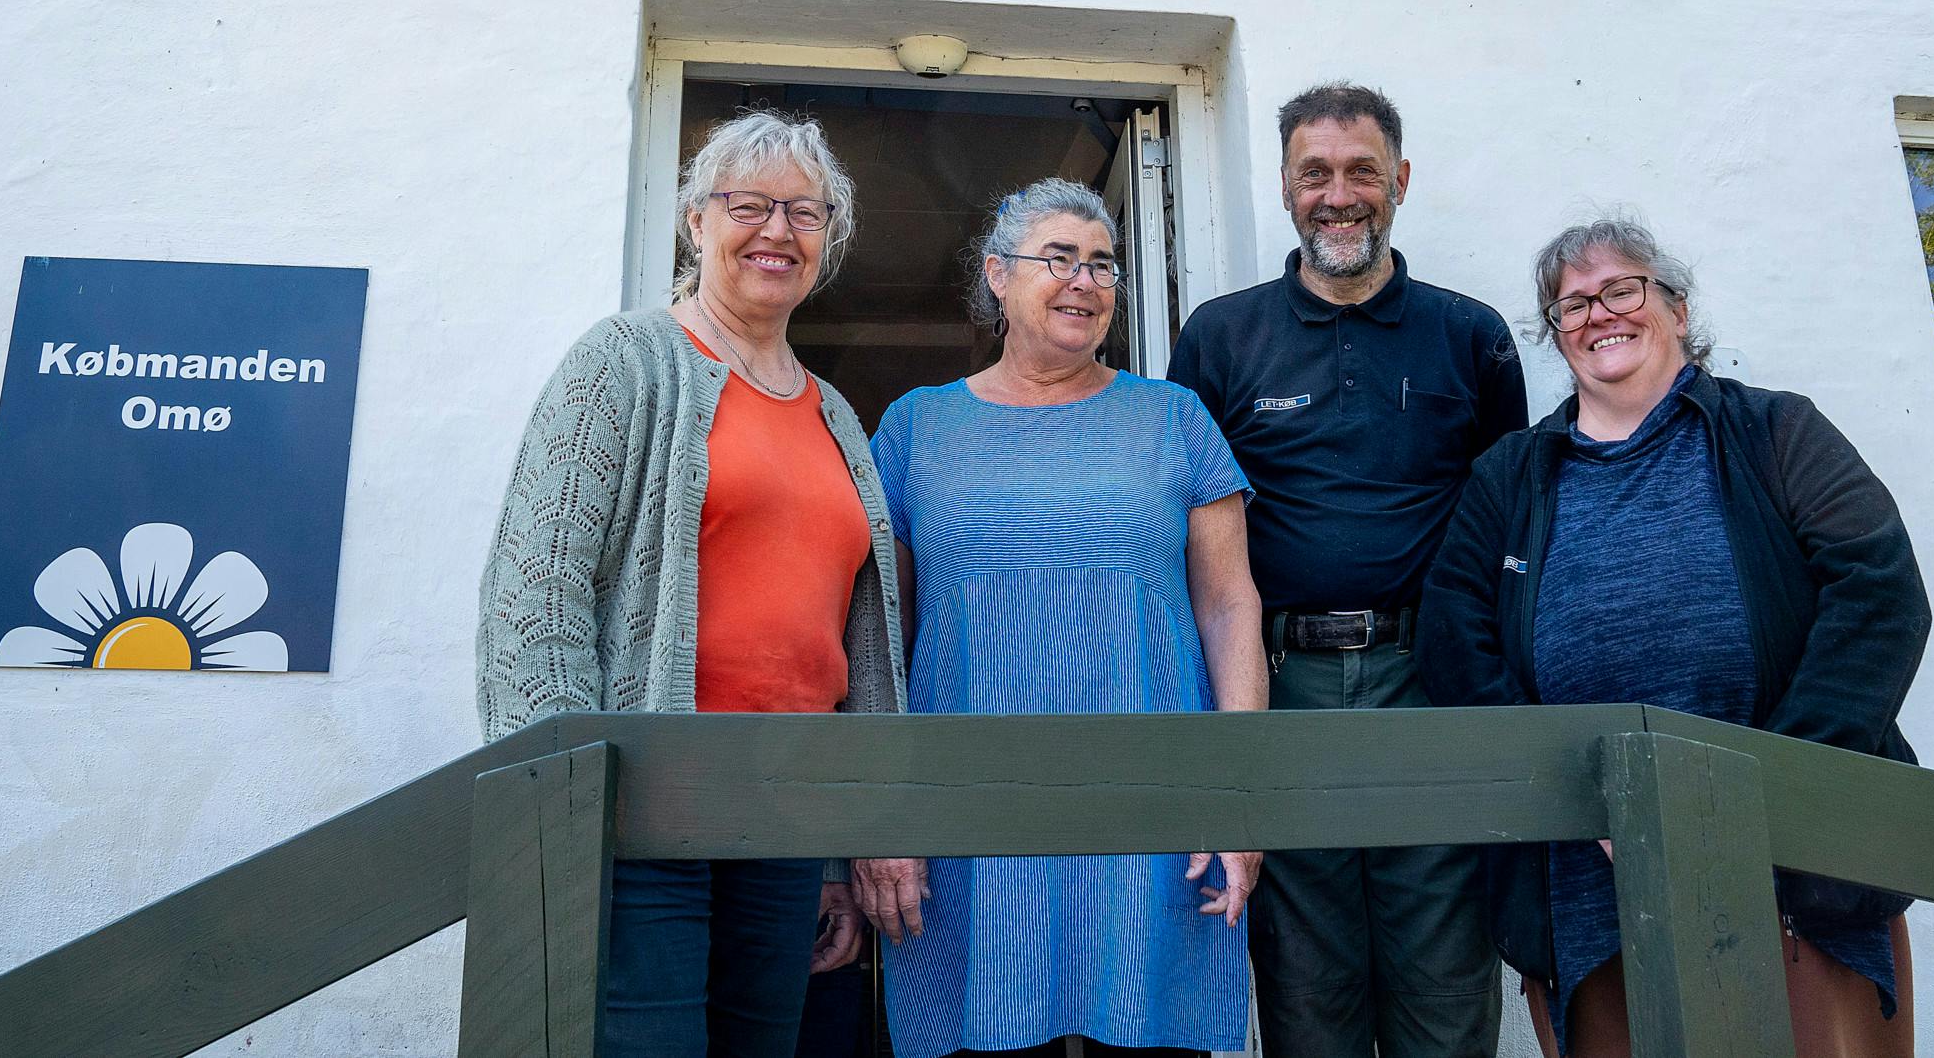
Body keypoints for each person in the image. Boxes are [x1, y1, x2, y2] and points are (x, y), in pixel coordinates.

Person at [1417, 217, 1930, 1058]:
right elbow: (1452, 642)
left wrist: (1755, 786)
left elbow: (1881, 594)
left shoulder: (1777, 433)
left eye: (1622, 289)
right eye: (1571, 304)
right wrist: (1589, 793)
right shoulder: (1509, 475)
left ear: (1677, 308)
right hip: (1591, 883)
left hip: (1794, 866)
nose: (1598, 314)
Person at [475, 109, 906, 1058]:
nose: (776, 231)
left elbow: (856, 648)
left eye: (804, 211)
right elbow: (537, 599)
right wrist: (565, 802)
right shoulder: (622, 364)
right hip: (646, 807)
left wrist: (842, 842)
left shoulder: (835, 413)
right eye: (747, 204)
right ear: (695, 220)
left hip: (786, 815)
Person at [852, 177, 1267, 1058]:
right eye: (1060, 258)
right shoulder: (915, 428)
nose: (1085, 280)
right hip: (968, 821)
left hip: (1154, 810)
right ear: (997, 276)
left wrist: (1240, 793)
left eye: (1103, 264)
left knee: (1150, 1036)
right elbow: (880, 639)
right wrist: (881, 821)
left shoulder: (1174, 417)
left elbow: (1231, 606)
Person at [1165, 82, 1525, 1058]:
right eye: (1314, 171)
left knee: (1445, 983)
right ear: (1282, 186)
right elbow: (1182, 535)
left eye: (1361, 169)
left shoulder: (1471, 335)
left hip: (1429, 686)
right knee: (1304, 990)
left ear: (1399, 180)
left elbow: (1511, 535)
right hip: (1280, 690)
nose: (1338, 193)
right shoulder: (1219, 337)